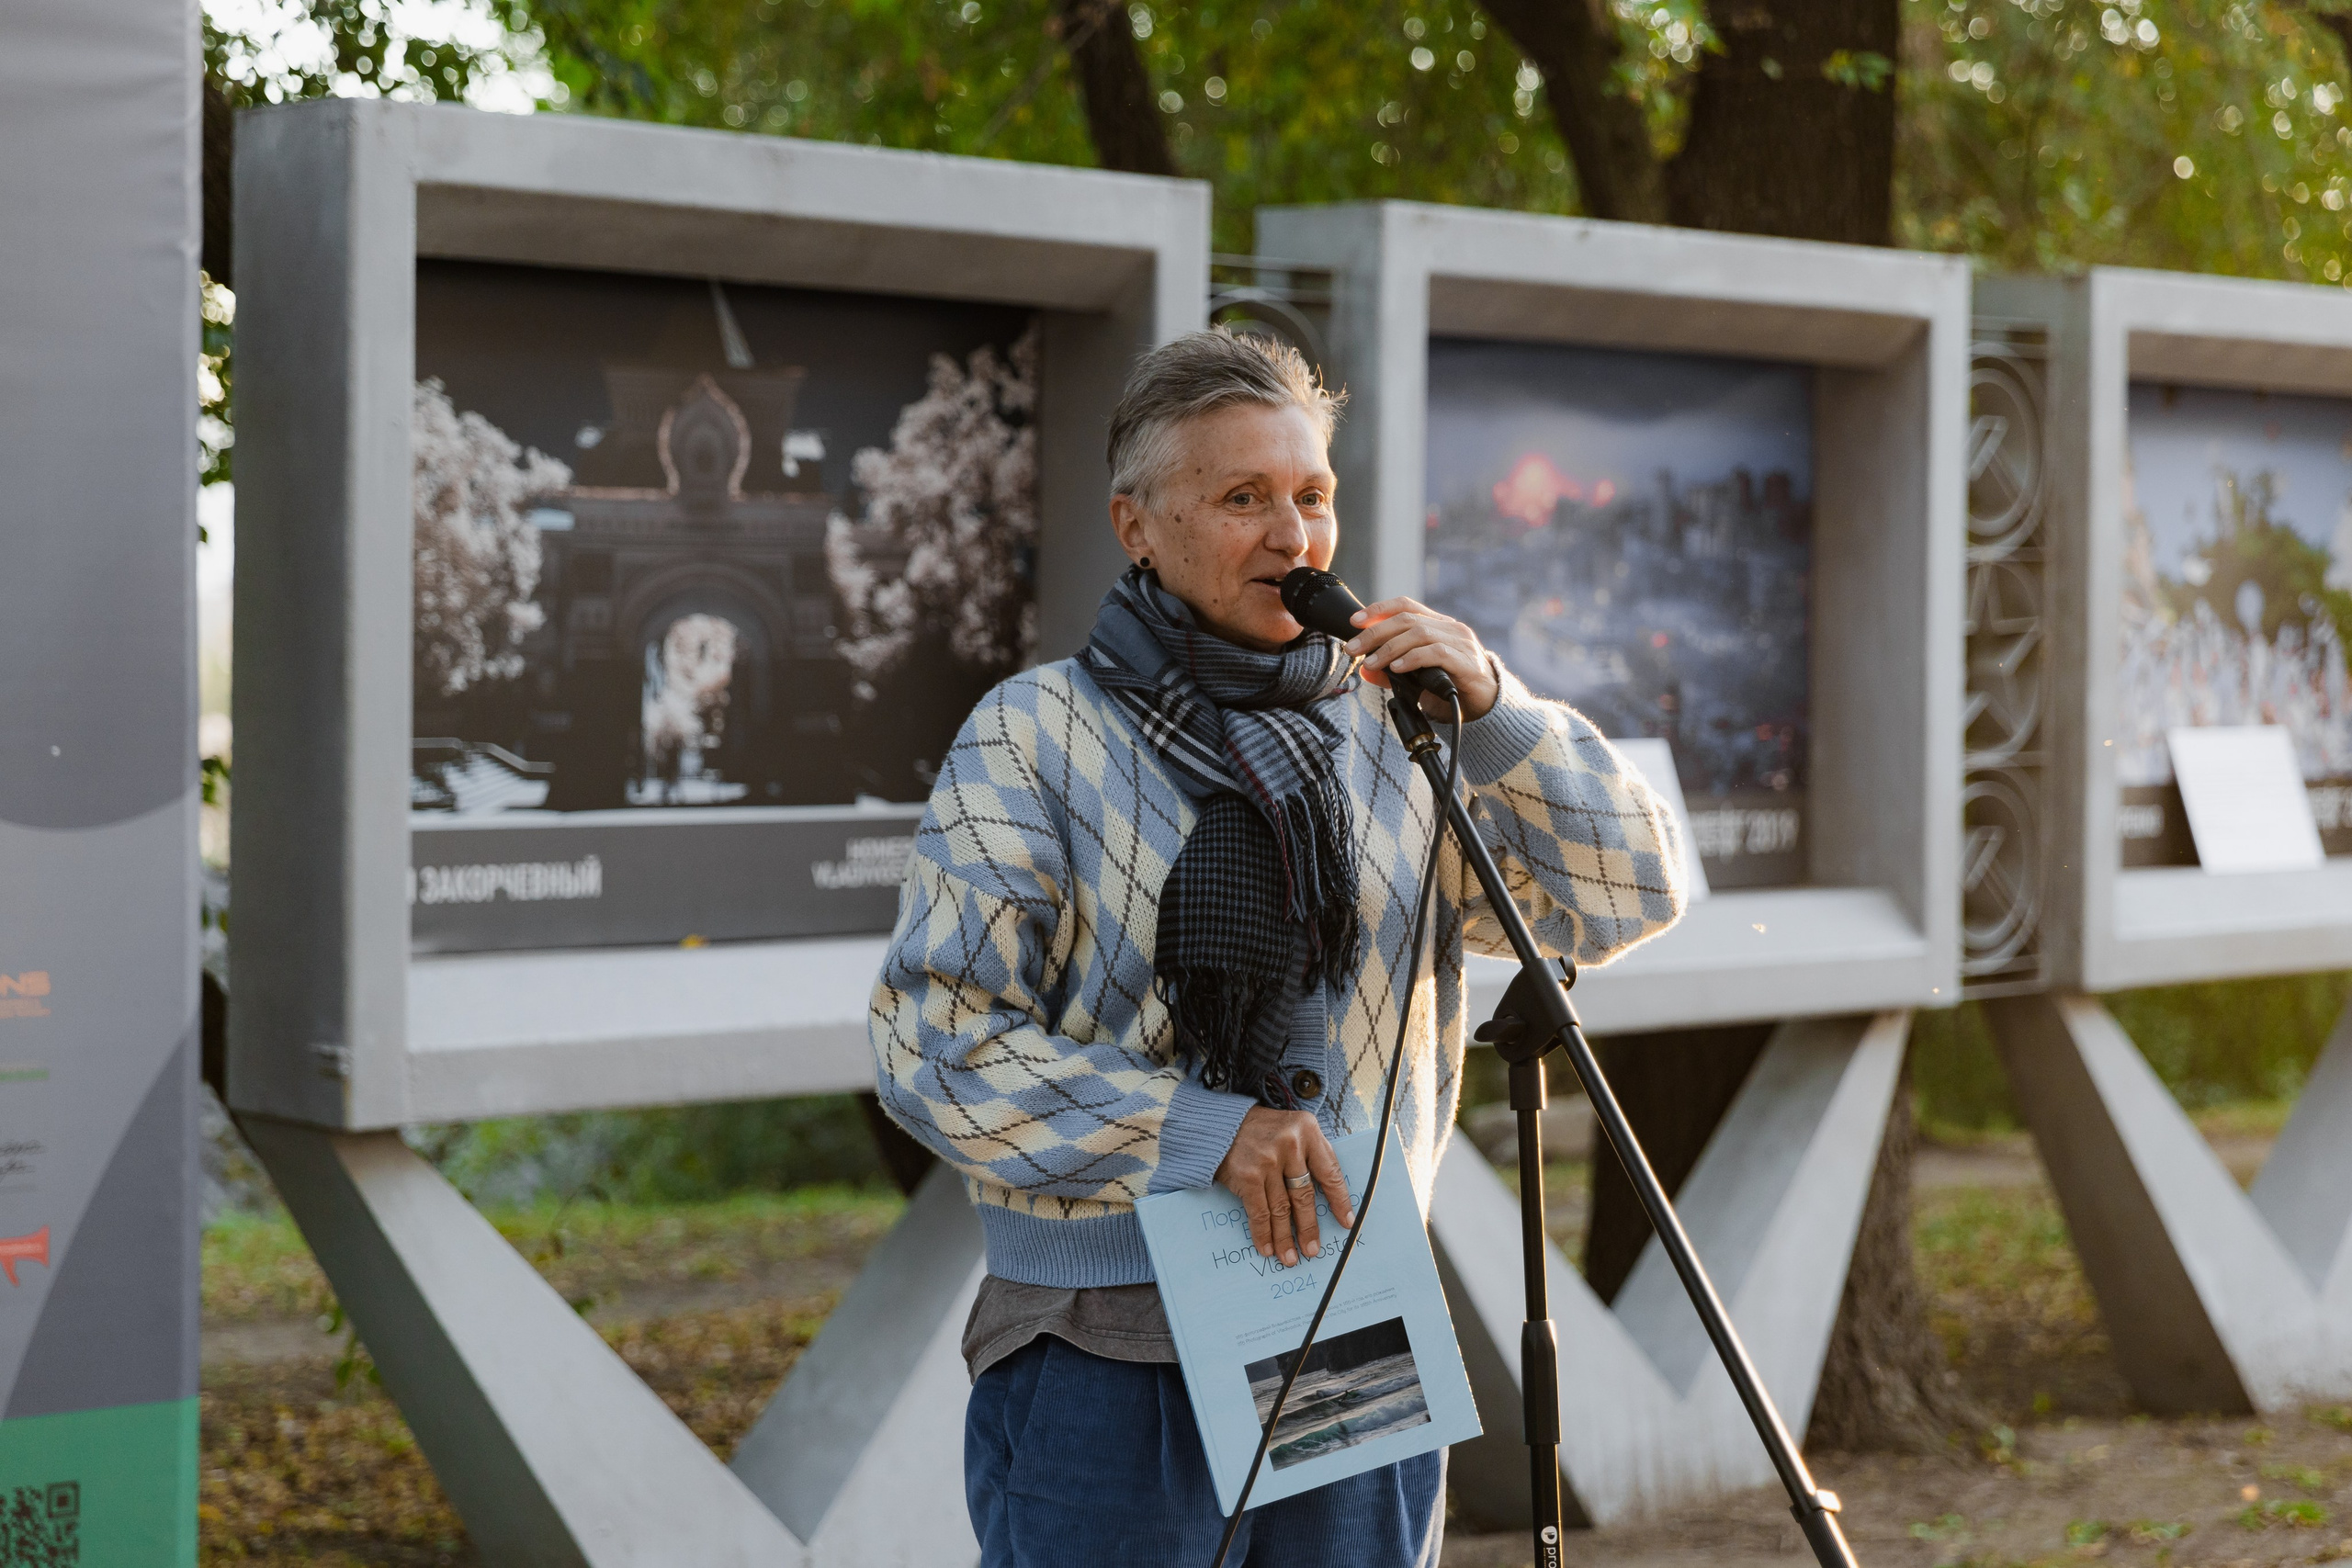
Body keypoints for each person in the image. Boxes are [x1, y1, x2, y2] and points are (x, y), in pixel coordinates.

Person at [868, 328, 1690, 1568]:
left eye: (1312, 498)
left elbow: (1625, 895)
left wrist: (1500, 712)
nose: (1293, 537)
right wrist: (1206, 1134)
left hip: (1349, 1313)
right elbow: (933, 1045)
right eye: (1243, 498)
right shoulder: (1031, 738)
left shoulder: (1407, 734)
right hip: (1106, 1336)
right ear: (1136, 524)